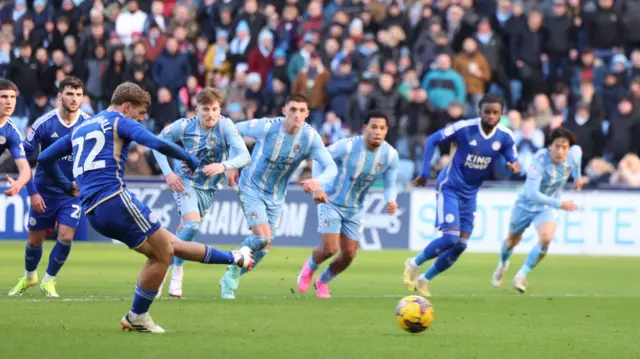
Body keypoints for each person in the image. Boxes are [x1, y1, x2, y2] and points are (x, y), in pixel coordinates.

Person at [36, 82, 254, 333]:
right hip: (115, 199)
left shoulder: (83, 126)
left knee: (167, 247)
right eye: (139, 114)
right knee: (165, 252)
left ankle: (235, 257)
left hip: (92, 211)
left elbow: (43, 158)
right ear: (127, 106)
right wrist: (190, 158)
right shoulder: (119, 121)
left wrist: (66, 186)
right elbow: (156, 143)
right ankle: (137, 315)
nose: (141, 119)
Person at [219, 93, 338, 299]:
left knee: (264, 248)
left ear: (307, 114)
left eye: (301, 111)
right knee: (262, 236)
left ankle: (235, 269)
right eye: (293, 110)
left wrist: (317, 182)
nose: (297, 115)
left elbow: (331, 168)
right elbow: (232, 129)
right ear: (284, 111)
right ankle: (230, 274)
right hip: (250, 186)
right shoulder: (267, 127)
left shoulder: (310, 138)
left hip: (276, 196)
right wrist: (231, 164)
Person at [403, 93, 521, 297]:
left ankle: (425, 279)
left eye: (495, 113)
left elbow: (512, 157)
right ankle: (413, 263)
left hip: (470, 193)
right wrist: (424, 172)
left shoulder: (505, 136)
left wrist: (514, 165)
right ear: (479, 112)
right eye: (487, 112)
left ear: (501, 114)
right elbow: (432, 140)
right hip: (450, 186)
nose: (491, 116)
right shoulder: (464, 128)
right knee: (450, 238)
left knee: (460, 245)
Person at [153, 87, 250, 298]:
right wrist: (169, 173)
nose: (210, 114)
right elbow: (156, 143)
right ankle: (171, 272)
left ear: (220, 109)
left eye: (214, 109)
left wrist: (224, 166)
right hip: (186, 182)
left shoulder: (225, 125)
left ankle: (165, 266)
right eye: (205, 109)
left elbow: (245, 155)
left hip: (210, 188)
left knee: (185, 232)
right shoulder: (184, 126)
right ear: (196, 110)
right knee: (192, 224)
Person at [296, 110, 399, 298]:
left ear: (386, 131)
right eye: (374, 127)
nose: (377, 131)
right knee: (330, 249)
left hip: (356, 208)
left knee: (349, 254)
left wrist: (391, 200)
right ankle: (309, 269)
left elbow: (390, 185)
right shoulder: (349, 146)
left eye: (382, 128)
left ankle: (323, 281)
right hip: (331, 201)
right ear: (365, 128)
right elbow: (321, 158)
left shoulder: (390, 155)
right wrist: (318, 185)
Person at [8, 76, 90, 298]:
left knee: (65, 236)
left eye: (78, 94)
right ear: (59, 96)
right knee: (35, 241)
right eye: (69, 94)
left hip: (71, 193)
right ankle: (29, 277)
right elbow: (24, 161)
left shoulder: (88, 124)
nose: (74, 99)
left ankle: (49, 281)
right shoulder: (43, 123)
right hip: (43, 190)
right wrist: (32, 192)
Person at [492, 128, 586, 293]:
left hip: (547, 206)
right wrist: (560, 204)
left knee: (546, 238)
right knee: (512, 241)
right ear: (550, 146)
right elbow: (532, 193)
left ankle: (521, 275)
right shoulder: (539, 160)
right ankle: (503, 263)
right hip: (526, 204)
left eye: (564, 147)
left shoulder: (575, 153)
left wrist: (577, 177)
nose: (560, 151)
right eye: (557, 146)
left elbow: (577, 162)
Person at [0, 79, 30, 197]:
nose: (9, 101)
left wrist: (19, 183)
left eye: (13, 97)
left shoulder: (11, 132)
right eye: (4, 96)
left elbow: (25, 169)